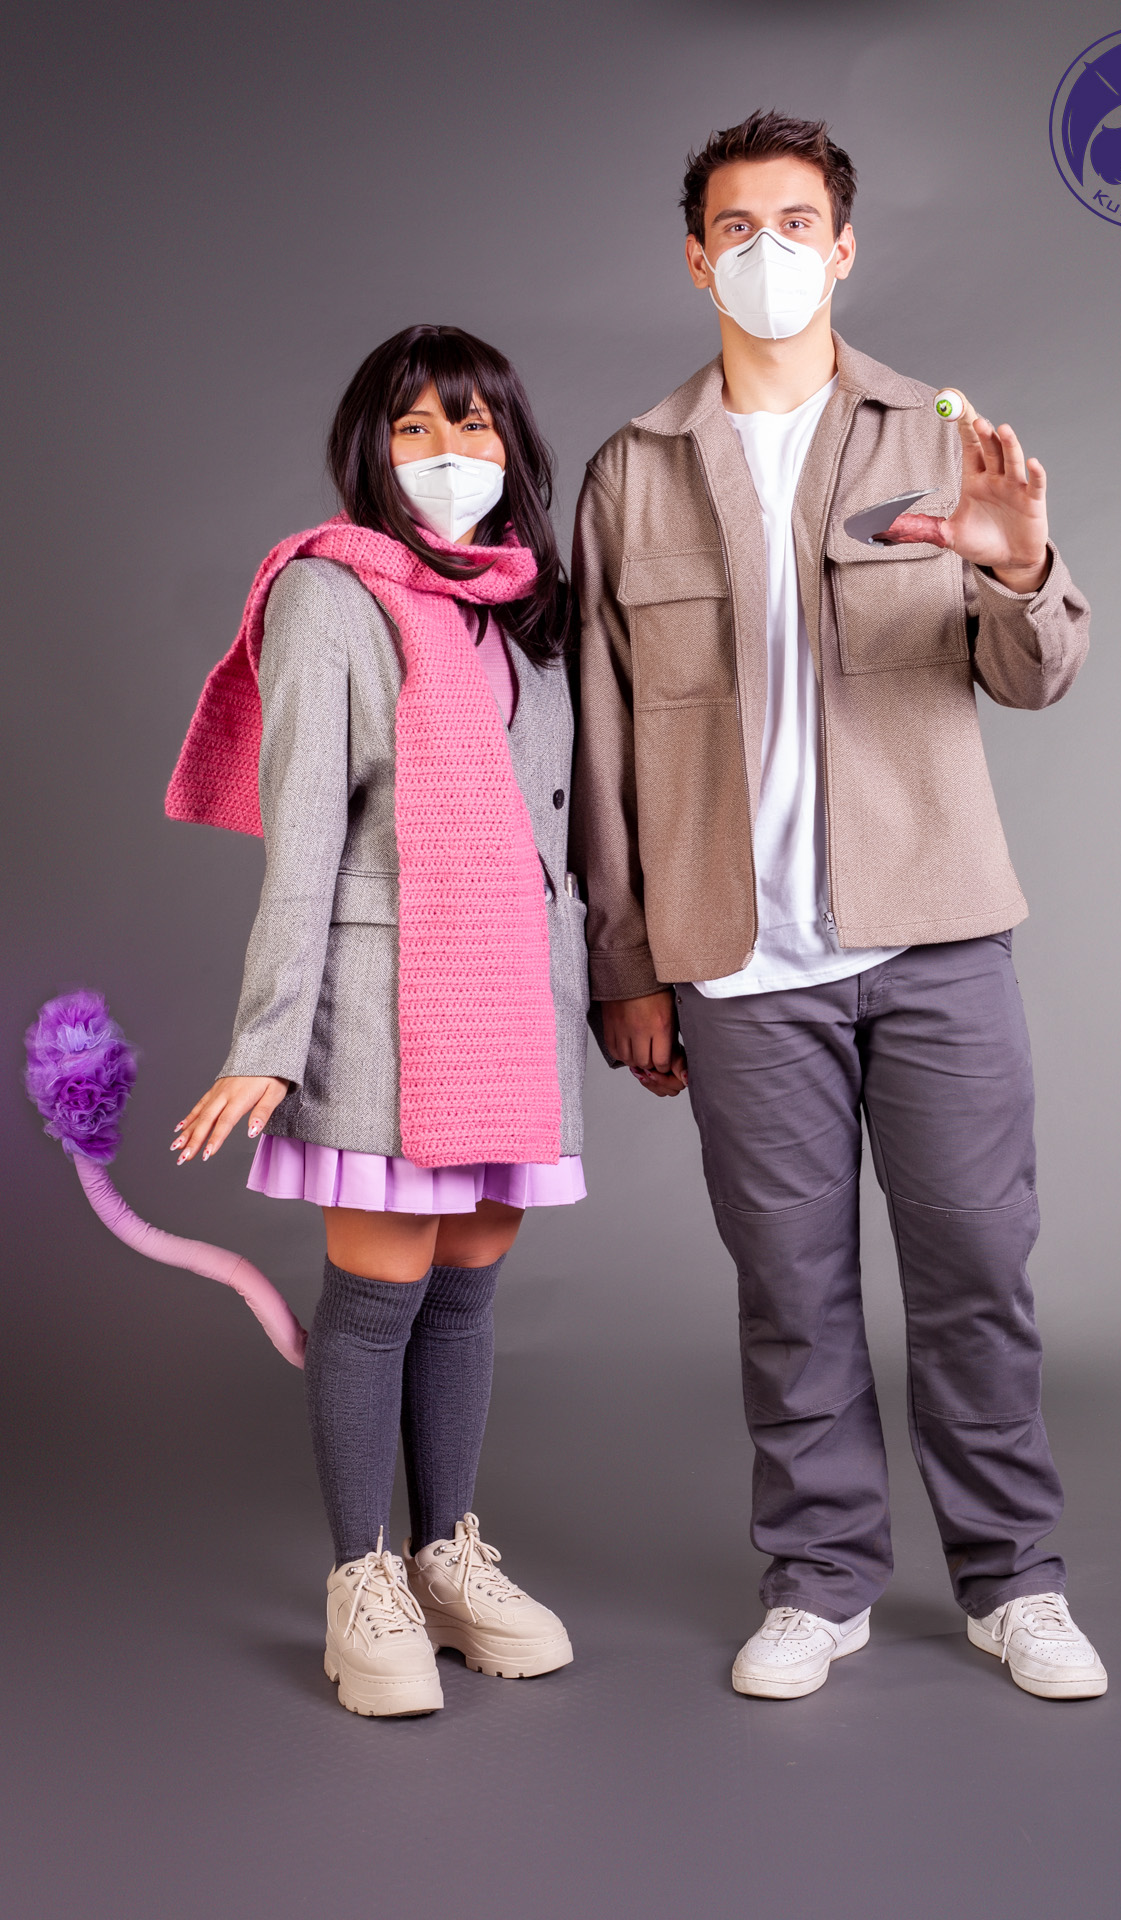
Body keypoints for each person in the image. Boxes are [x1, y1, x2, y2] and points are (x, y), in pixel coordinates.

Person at [571, 112, 1107, 1702]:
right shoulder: (632, 471)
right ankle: (819, 1581)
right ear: (694, 257)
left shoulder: (940, 440)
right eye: (737, 227)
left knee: (977, 1271)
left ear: (846, 245)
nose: (769, 252)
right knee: (790, 1293)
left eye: (796, 223)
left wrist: (1019, 567)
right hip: (738, 968)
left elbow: (1040, 676)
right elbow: (602, 738)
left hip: (935, 939)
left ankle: (1016, 1581)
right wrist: (625, 964)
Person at [168, 325, 588, 1718]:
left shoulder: (528, 607)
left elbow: (562, 828)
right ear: (370, 448)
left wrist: (615, 992)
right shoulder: (328, 592)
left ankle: (447, 1555)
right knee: (380, 1291)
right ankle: (362, 1580)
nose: (448, 453)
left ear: (513, 446)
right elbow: (302, 835)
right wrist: (266, 1041)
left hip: (514, 1002)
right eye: (414, 428)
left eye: (474, 425)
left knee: (468, 1283)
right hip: (387, 1007)